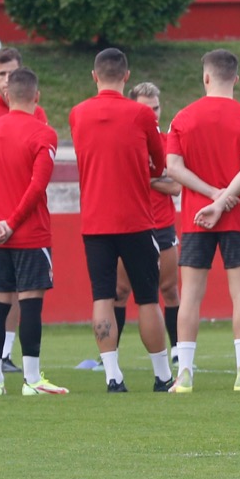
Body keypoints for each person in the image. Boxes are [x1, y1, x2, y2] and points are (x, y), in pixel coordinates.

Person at [163, 49, 240, 392]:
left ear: (205, 77)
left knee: (190, 295)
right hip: (238, 216)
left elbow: (174, 167)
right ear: (235, 79)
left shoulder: (182, 118)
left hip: (196, 217)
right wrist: (223, 201)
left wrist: (210, 197)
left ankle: (185, 374)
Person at [69, 48, 173, 392]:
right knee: (147, 298)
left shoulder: (77, 114)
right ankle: (162, 375)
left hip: (95, 221)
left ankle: (113, 375)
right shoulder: (141, 116)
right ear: (126, 76)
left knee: (103, 296)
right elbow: (158, 166)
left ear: (94, 76)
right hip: (135, 220)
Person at [0, 68, 67, 395]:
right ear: (36, 97)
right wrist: (11, 222)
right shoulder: (44, 134)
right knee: (31, 305)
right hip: (30, 233)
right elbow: (38, 186)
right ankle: (31, 379)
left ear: (7, 96)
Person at [128, 82, 183, 351]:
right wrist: (155, 178)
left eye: (156, 108)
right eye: (145, 109)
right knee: (119, 292)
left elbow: (175, 185)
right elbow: (120, 180)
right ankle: (108, 357)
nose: (153, 114)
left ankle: (176, 350)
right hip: (131, 225)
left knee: (170, 289)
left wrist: (141, 176)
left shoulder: (167, 141)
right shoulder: (125, 141)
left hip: (162, 225)